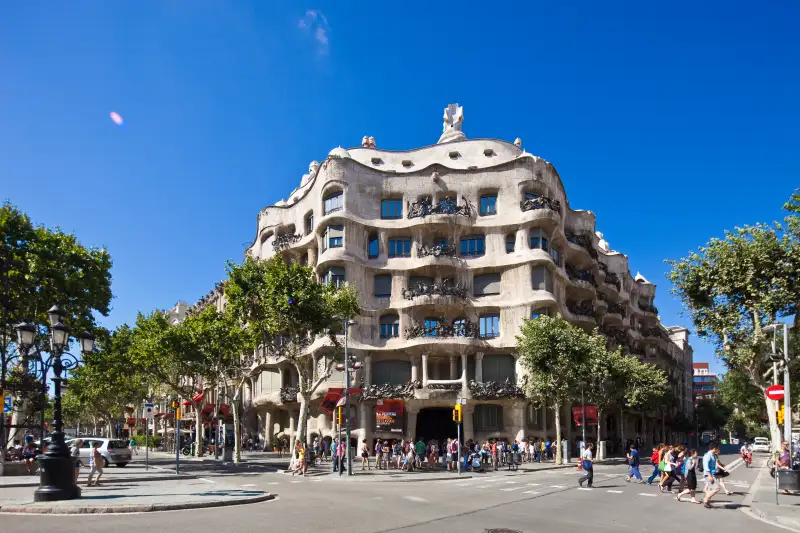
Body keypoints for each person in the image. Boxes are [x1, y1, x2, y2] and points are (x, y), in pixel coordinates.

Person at [702, 440, 721, 508]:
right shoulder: (707, 456)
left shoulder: (713, 455)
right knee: (717, 488)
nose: (718, 449)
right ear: (714, 448)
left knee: (710, 489)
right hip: (709, 474)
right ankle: (705, 499)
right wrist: (709, 475)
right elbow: (706, 467)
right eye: (717, 448)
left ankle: (707, 502)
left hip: (713, 473)